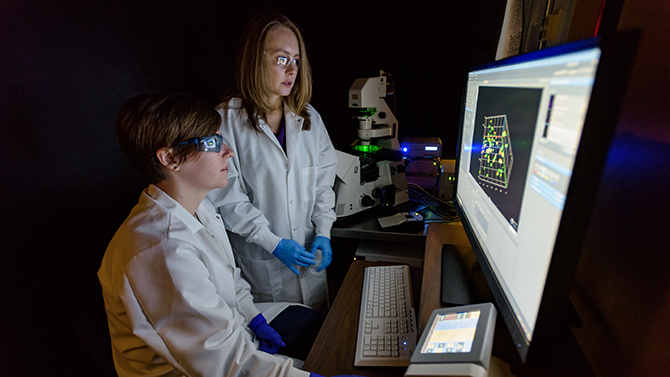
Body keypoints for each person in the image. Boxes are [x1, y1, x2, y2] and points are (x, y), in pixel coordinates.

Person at [98, 91, 359, 377]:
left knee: (328, 330)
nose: (228, 151)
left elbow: (230, 278)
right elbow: (228, 367)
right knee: (335, 358)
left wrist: (255, 317)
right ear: (170, 158)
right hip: (198, 370)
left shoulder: (198, 209)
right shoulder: (163, 250)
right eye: (212, 142)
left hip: (233, 334)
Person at [207, 12, 337, 312]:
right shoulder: (224, 123)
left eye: (296, 60)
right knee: (280, 347)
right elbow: (227, 200)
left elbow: (323, 185)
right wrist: (273, 243)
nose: (292, 69)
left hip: (310, 261)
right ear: (255, 59)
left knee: (319, 339)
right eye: (281, 59)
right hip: (262, 269)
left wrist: (323, 233)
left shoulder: (308, 119)